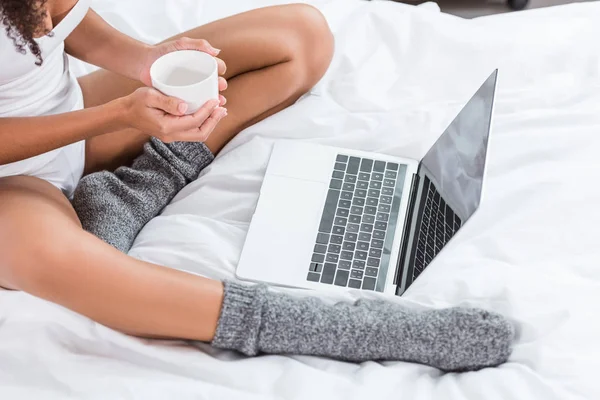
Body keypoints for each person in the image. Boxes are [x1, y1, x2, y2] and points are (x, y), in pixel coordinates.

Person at [0, 0, 514, 372]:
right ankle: (352, 329)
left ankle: (135, 188)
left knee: (301, 36)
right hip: (13, 180)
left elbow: (59, 14)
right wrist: (113, 116)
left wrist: (147, 62)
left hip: (69, 116)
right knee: (56, 260)